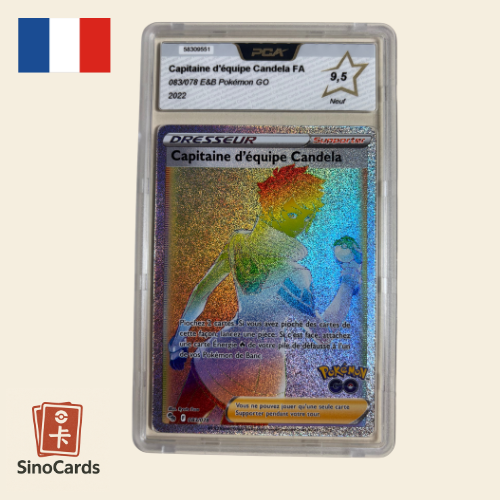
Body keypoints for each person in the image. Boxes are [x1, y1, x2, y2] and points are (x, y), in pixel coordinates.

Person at [168, 164, 361, 424]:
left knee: (181, 427)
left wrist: (179, 338)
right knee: (215, 441)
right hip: (257, 384)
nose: (303, 223)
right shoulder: (295, 274)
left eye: (306, 216)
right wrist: (348, 283)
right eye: (297, 214)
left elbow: (202, 291)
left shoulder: (238, 242)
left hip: (216, 359)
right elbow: (323, 333)